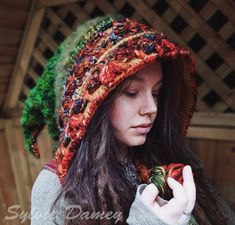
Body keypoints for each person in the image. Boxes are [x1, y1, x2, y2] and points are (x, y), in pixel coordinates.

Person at [21, 15, 235, 225]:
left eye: (157, 93)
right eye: (132, 92)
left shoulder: (164, 156)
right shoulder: (55, 187)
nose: (152, 109)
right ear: (92, 103)